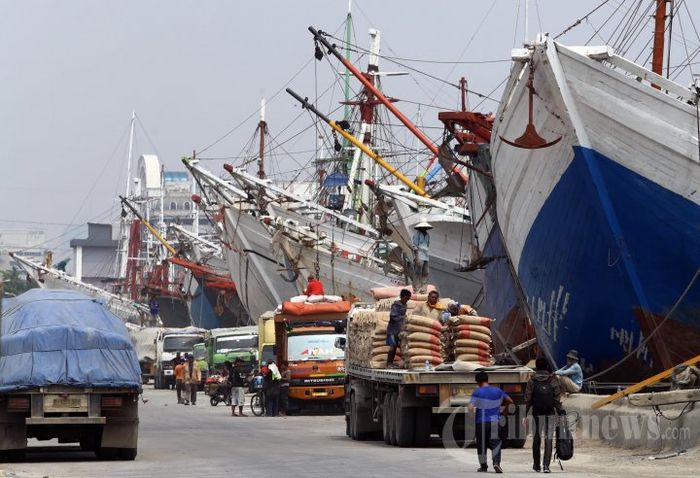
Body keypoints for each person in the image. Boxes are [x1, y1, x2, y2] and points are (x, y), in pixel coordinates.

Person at [468, 371, 513, 473]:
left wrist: (471, 417)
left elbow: (470, 407)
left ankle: (483, 466)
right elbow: (510, 401)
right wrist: (504, 411)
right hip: (494, 422)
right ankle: (496, 463)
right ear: (488, 380)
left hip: (481, 422)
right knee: (495, 443)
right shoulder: (497, 390)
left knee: (481, 444)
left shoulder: (477, 392)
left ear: (477, 382)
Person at [525, 357, 563, 473]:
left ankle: (536, 465)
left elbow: (528, 398)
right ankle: (546, 466)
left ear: (536, 366)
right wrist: (561, 412)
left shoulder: (532, 380)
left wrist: (525, 414)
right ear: (547, 366)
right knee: (548, 438)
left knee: (536, 439)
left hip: (537, 413)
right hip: (550, 413)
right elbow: (557, 398)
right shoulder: (552, 380)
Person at [386, 289, 411, 368]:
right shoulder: (396, 305)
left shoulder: (405, 305)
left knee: (401, 346)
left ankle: (403, 362)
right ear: (402, 297)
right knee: (392, 346)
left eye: (408, 299)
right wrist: (403, 318)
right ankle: (389, 363)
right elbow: (393, 316)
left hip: (400, 330)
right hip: (392, 330)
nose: (406, 301)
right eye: (405, 299)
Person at [412, 217, 432, 290]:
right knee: (417, 272)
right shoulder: (417, 234)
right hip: (419, 255)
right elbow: (414, 246)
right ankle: (416, 288)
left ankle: (423, 288)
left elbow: (428, 245)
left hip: (426, 256)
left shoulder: (427, 235)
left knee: (426, 272)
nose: (425, 228)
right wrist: (417, 257)